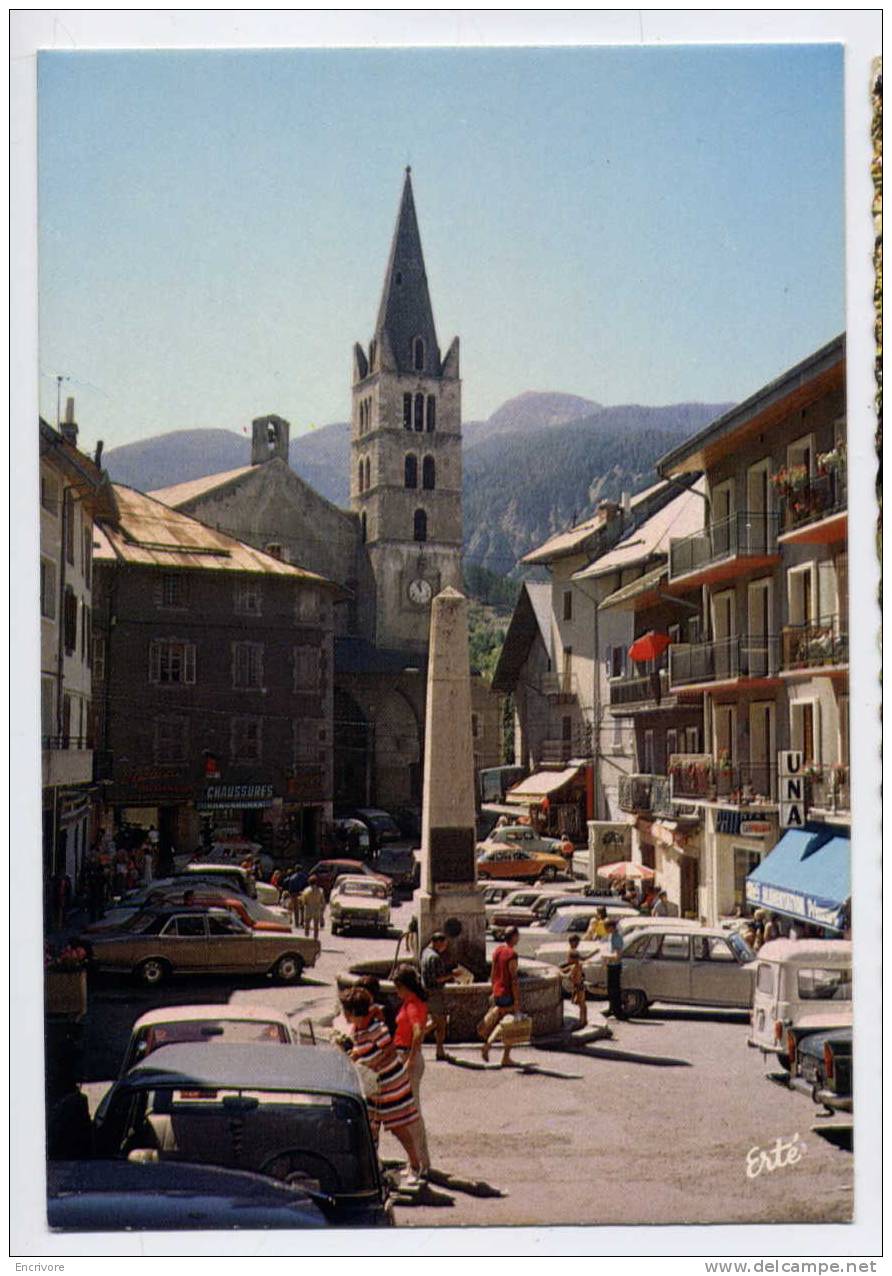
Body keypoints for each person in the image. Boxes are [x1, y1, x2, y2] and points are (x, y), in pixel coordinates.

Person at [341, 986, 428, 1186]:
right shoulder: (358, 1030)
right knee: (370, 1126)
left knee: (397, 1126)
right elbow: (360, 1050)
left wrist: (370, 1064)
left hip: (389, 1083)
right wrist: (352, 1057)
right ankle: (374, 1167)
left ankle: (415, 1164)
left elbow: (390, 1052)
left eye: (346, 1010)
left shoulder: (376, 1029)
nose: (343, 1014)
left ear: (354, 1011)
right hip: (373, 1085)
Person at [391, 966, 432, 1175]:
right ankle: (418, 1160)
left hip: (408, 1057)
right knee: (409, 1112)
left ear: (405, 987)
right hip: (406, 1055)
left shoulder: (413, 1005)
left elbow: (418, 1033)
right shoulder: (412, 1003)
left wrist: (410, 1059)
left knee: (411, 1113)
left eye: (398, 987)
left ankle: (421, 1164)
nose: (396, 992)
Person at [476, 925, 521, 1065]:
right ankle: (490, 1047)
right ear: (514, 937)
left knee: (504, 1020)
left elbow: (492, 973)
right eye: (517, 936)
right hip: (507, 992)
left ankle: (504, 1055)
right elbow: (513, 979)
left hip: (497, 990)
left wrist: (493, 989)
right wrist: (517, 1000)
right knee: (508, 1023)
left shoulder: (497, 950)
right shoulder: (512, 954)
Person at [420, 932, 453, 1060]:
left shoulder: (425, 952)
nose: (445, 947)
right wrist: (452, 975)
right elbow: (437, 979)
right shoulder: (435, 957)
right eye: (444, 944)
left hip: (426, 991)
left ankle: (414, 1041)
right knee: (441, 1022)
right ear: (437, 942)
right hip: (435, 993)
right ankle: (439, 1051)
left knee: (434, 1021)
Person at [561, 933, 587, 1030]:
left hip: (579, 986)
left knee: (581, 1004)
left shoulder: (576, 967)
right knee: (581, 1004)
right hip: (578, 986)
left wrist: (562, 975)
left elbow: (568, 976)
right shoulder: (576, 965)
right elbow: (567, 968)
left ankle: (582, 1021)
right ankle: (583, 1019)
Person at [603, 918, 625, 1019]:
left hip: (615, 966)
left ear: (611, 927)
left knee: (615, 990)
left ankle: (618, 1011)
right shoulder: (610, 936)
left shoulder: (617, 938)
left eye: (606, 928)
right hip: (610, 965)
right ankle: (611, 1008)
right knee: (610, 990)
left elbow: (617, 955)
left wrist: (606, 956)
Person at [301, 874, 325, 940]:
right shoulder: (320, 890)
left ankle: (306, 937)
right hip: (316, 909)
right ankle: (315, 938)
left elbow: (303, 901)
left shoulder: (306, 890)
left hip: (308, 908)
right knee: (316, 926)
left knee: (307, 925)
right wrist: (322, 911)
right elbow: (323, 901)